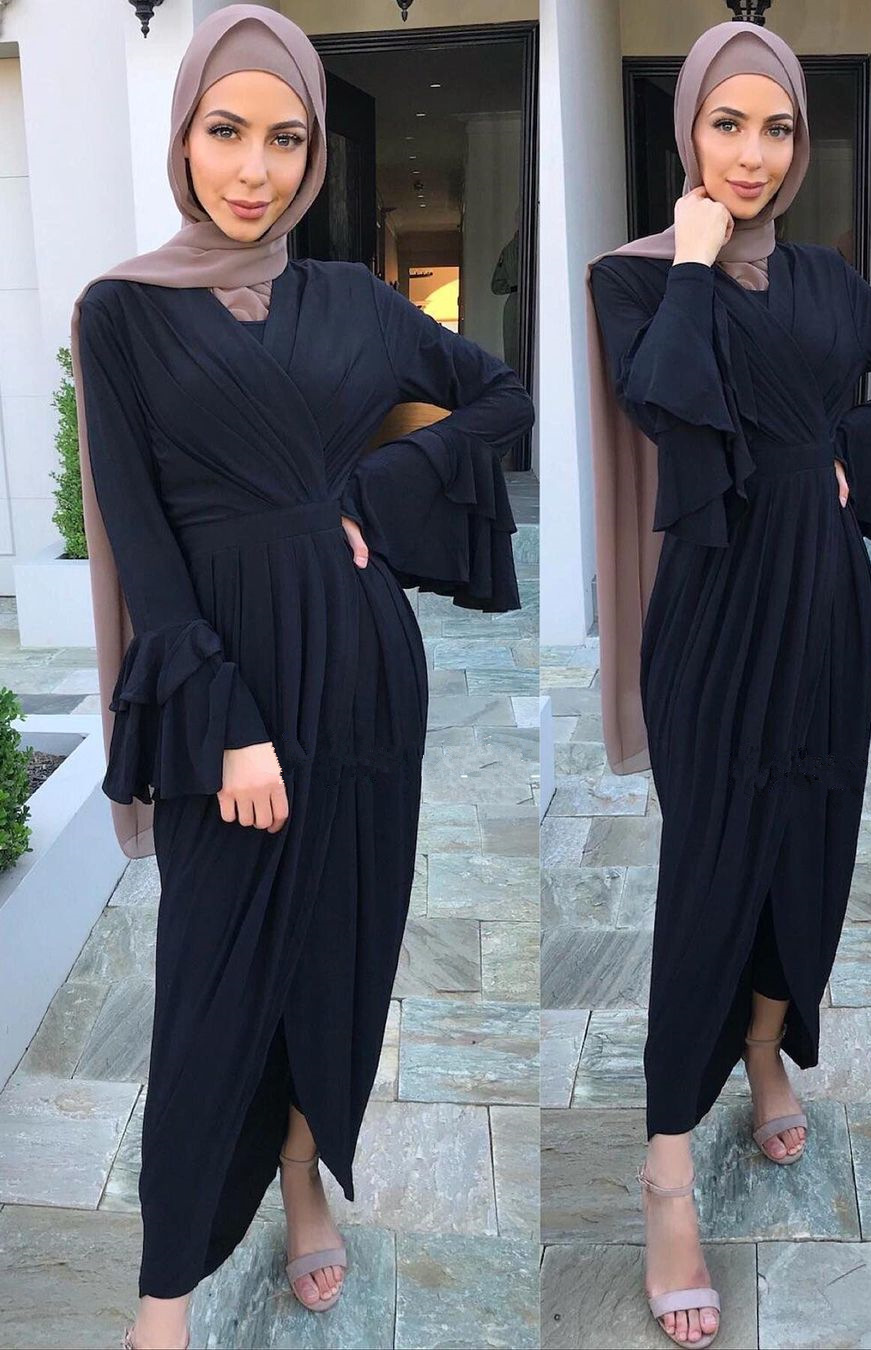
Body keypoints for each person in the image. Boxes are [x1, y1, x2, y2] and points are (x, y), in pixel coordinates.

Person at [67, 8, 534, 1348]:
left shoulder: (356, 303)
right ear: (185, 135)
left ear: (316, 153)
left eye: (286, 138)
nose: (254, 168)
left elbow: (500, 393)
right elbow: (141, 543)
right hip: (227, 696)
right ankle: (163, 1304)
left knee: (338, 954)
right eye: (228, 131)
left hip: (365, 678)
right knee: (209, 993)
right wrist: (223, 723)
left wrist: (379, 490)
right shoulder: (122, 313)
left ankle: (302, 1172)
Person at [585, 20, 871, 1349]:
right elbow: (663, 402)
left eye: (779, 126)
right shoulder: (635, 280)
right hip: (712, 617)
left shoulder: (828, 281)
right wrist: (693, 260)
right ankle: (666, 1173)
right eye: (727, 122)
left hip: (827, 609)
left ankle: (762, 1047)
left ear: (801, 141)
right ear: (689, 128)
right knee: (708, 872)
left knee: (810, 843)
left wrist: (850, 444)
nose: (753, 153)